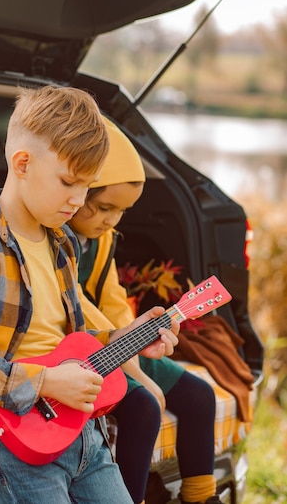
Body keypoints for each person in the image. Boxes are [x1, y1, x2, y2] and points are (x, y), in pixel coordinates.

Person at [0, 85, 179, 504]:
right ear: (22, 163)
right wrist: (45, 382)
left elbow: (72, 342)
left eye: (87, 186)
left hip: (83, 437)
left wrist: (129, 336)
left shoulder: (61, 244)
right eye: (68, 183)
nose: (78, 200)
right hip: (16, 442)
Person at [69, 116, 223, 504]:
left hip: (120, 343)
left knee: (199, 396)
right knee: (143, 407)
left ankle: (200, 496)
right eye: (104, 207)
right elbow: (79, 307)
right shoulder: (59, 242)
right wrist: (134, 365)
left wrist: (138, 340)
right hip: (85, 350)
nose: (111, 221)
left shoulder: (100, 241)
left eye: (121, 212)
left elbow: (113, 301)